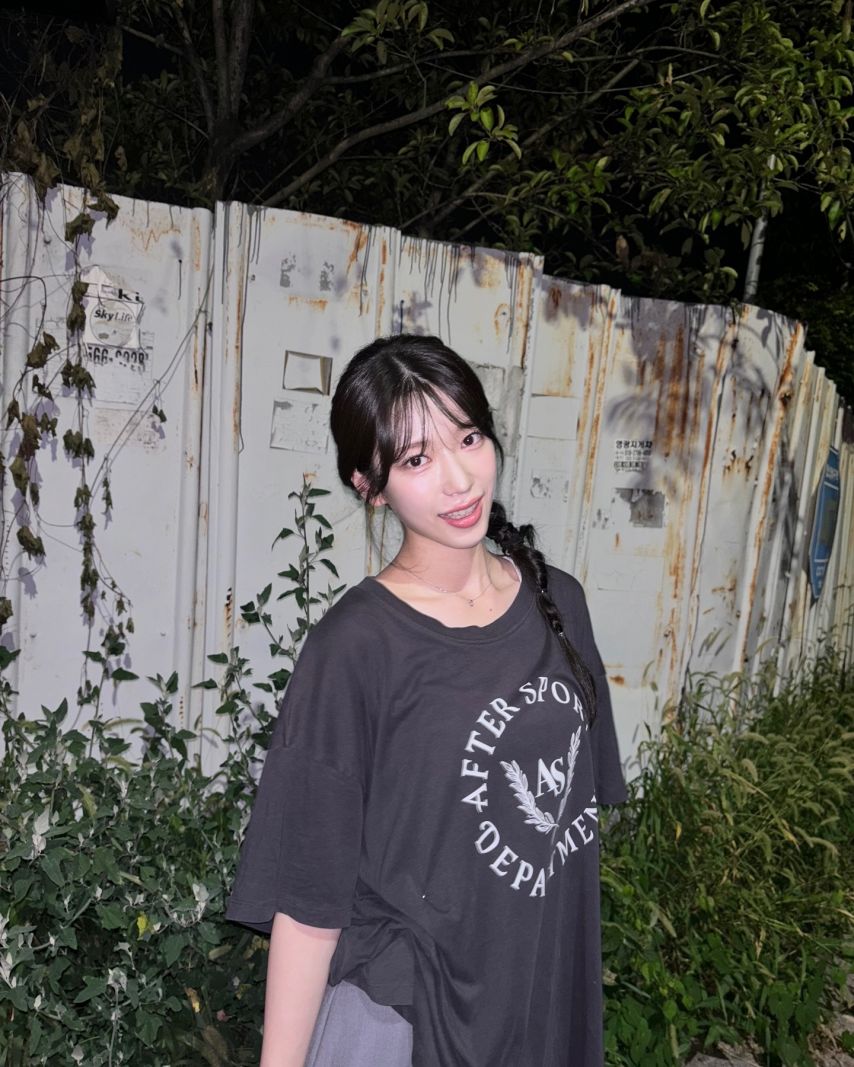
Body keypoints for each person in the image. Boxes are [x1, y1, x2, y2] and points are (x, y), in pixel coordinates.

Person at [226, 334, 626, 1067]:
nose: (460, 479)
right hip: (402, 1023)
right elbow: (309, 903)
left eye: (468, 438)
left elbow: (565, 850)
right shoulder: (354, 647)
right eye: (416, 460)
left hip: (534, 1007)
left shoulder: (559, 603)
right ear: (369, 485)